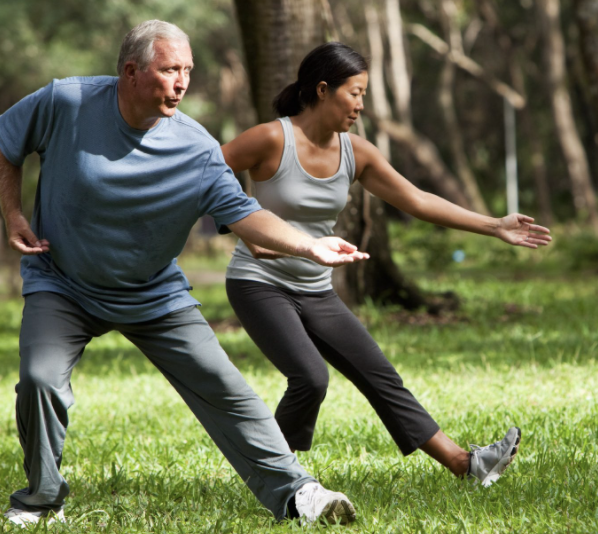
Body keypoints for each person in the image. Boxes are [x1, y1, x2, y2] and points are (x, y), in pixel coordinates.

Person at [0, 21, 364, 527]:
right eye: (170, 70)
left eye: (188, 70)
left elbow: (243, 212)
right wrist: (13, 212)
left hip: (152, 291)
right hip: (63, 281)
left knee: (225, 385)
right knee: (39, 380)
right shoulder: (66, 102)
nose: (183, 82)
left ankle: (299, 493)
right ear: (131, 72)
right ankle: (42, 497)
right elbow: (5, 143)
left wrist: (309, 244)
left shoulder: (197, 147)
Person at [221, 42, 552, 487]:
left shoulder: (356, 151)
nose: (360, 105)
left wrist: (494, 225)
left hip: (316, 288)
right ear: (322, 90)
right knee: (310, 378)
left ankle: (464, 464)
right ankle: (276, 478)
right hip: (258, 282)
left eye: (363, 95)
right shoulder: (271, 138)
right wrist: (245, 230)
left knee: (380, 376)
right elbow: (205, 176)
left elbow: (417, 199)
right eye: (354, 93)